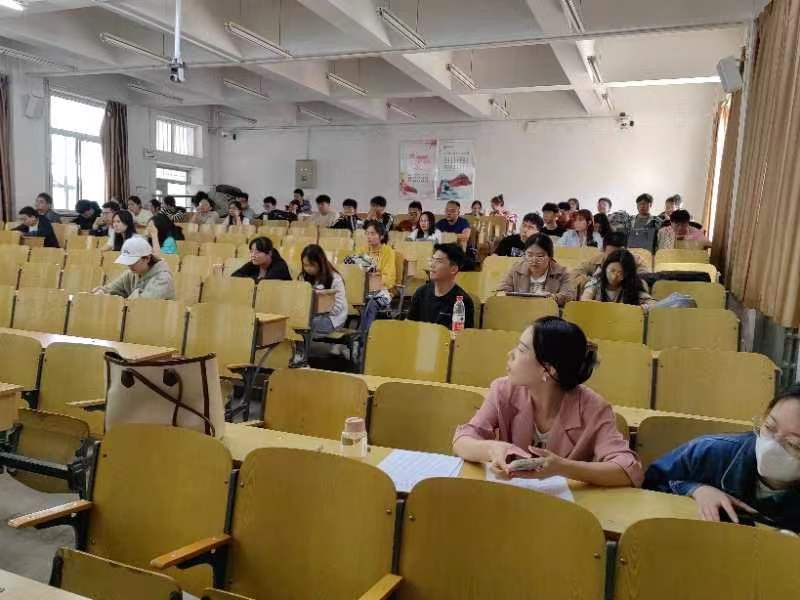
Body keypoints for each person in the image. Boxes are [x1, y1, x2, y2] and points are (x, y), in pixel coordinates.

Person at [452, 317, 642, 487]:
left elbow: (628, 470)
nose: (510, 354)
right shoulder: (503, 390)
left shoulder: (594, 408)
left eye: (521, 350)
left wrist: (563, 468)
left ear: (548, 370)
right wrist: (491, 449)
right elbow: (462, 440)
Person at [644, 384, 800, 531]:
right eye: (769, 427)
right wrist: (694, 489)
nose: (771, 447)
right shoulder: (711, 452)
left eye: (793, 444)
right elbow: (651, 484)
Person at [497, 234, 576, 307]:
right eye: (530, 255)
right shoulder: (516, 269)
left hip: (548, 313)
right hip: (519, 311)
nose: (534, 260)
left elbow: (569, 295)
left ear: (550, 257)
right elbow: (502, 290)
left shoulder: (562, 273)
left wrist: (553, 298)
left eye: (540, 256)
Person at [408, 243, 474, 329]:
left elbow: (462, 335)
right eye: (432, 260)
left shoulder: (462, 302)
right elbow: (409, 326)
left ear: (453, 269)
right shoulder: (421, 293)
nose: (432, 265)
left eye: (438, 261)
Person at [93, 237, 175, 300]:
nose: (129, 265)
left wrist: (117, 297)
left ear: (147, 258)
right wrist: (101, 292)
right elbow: (110, 289)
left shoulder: (163, 278)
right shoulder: (131, 273)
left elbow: (142, 303)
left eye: (133, 262)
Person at [358, 220, 397, 337]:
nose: (369, 236)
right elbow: (357, 271)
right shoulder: (363, 249)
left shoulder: (388, 251)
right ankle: (354, 337)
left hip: (383, 291)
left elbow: (389, 278)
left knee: (370, 304)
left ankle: (363, 340)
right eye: (367, 233)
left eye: (373, 233)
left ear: (382, 236)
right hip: (363, 290)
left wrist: (374, 279)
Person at [299, 244, 347, 335]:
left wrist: (319, 310)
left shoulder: (335, 278)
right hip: (311, 315)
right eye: (305, 265)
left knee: (306, 324)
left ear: (320, 263)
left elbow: (338, 307)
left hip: (333, 318)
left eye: (311, 265)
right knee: (294, 321)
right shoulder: (303, 277)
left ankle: (302, 344)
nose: (308, 268)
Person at [570, 231, 650, 286]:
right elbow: (574, 276)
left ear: (626, 250)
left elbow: (644, 280)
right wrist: (597, 282)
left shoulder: (637, 261)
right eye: (611, 255)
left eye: (619, 255)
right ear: (603, 250)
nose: (615, 259)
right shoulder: (595, 260)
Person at [581, 250, 654, 306]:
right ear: (605, 267)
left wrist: (645, 306)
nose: (614, 277)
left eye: (620, 273)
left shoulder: (633, 284)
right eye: (612, 271)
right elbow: (585, 298)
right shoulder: (596, 281)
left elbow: (651, 303)